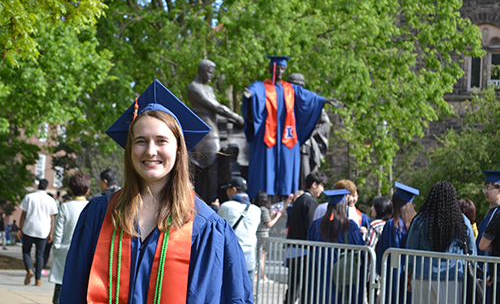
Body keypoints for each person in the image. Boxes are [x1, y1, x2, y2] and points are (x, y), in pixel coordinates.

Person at [60, 80, 252, 303]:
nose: (151, 151)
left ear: (179, 149)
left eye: (161, 141)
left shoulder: (206, 227)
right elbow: (73, 291)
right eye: (141, 141)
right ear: (130, 148)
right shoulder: (99, 214)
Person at [242, 55, 338, 198]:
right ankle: (263, 198)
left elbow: (308, 96)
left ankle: (287, 198)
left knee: (286, 168)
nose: (280, 72)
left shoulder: (290, 89)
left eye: (283, 69)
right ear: (271, 69)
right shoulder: (263, 87)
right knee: (265, 166)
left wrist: (325, 100)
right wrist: (249, 94)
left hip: (287, 138)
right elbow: (254, 90)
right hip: (268, 136)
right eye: (277, 69)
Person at [407, 181, 476, 303]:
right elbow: (472, 252)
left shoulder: (420, 220)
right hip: (453, 276)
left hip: (423, 275)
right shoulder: (462, 221)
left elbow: (411, 250)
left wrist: (409, 273)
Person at [187, 59, 244, 203]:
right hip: (204, 134)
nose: (212, 76)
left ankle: (212, 202)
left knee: (214, 167)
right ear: (202, 71)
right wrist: (236, 117)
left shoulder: (209, 89)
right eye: (209, 72)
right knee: (206, 168)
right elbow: (216, 106)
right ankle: (204, 201)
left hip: (214, 130)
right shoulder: (194, 88)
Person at [307, 189, 365, 303]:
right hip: (341, 274)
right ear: (344, 207)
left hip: (320, 273)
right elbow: (361, 251)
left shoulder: (316, 225)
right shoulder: (349, 226)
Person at [284, 171, 326, 303]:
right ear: (314, 185)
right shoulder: (310, 202)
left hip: (293, 250)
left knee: (293, 287)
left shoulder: (298, 200)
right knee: (306, 288)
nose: (322, 189)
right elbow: (311, 227)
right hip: (304, 251)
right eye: (321, 186)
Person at [49, 172, 90, 304]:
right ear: (88, 190)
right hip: (86, 254)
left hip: (65, 252)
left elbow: (58, 232)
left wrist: (56, 249)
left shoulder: (65, 207)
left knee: (60, 290)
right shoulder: (92, 207)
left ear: (71, 189)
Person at [376, 182, 418, 304]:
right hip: (413, 273)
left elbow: (385, 251)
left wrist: (380, 269)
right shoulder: (417, 223)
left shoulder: (392, 225)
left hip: (395, 273)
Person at [218, 176, 261, 285]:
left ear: (233, 190)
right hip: (249, 259)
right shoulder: (256, 210)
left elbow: (218, 229)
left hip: (230, 258)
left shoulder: (226, 207)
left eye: (228, 189)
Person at [18, 179, 59, 286]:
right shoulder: (50, 200)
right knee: (40, 255)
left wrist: (19, 228)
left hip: (29, 228)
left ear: (38, 185)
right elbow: (52, 218)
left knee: (26, 251)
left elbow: (23, 214)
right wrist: (51, 233)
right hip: (43, 231)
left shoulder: (29, 197)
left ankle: (30, 270)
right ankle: (38, 279)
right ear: (46, 187)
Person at [254, 190, 291, 283]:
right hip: (263, 235)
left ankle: (260, 276)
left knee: (261, 257)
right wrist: (277, 217)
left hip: (257, 235)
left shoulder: (255, 208)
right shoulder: (264, 210)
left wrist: (287, 203)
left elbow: (278, 210)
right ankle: (262, 277)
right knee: (262, 257)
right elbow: (269, 224)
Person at [476, 170, 500, 257]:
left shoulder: (498, 213)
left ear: (499, 190)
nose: (485, 192)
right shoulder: (490, 212)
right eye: (485, 188)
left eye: (489, 188)